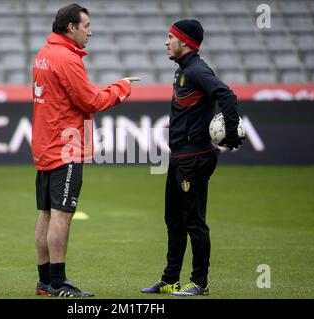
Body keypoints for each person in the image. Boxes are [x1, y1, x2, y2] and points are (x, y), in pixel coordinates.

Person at [32, 3, 139, 298]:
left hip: (45, 145)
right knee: (61, 215)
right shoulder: (66, 58)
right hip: (64, 147)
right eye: (86, 26)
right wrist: (122, 87)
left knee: (45, 214)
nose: (91, 32)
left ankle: (45, 282)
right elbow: (91, 101)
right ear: (71, 28)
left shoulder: (44, 53)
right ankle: (58, 283)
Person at [141, 19, 244, 296]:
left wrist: (231, 133)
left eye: (170, 37)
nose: (166, 42)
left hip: (196, 158)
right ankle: (170, 280)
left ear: (184, 42)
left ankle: (200, 282)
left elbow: (227, 95)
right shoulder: (182, 70)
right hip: (179, 158)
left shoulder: (197, 70)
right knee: (173, 221)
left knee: (194, 222)